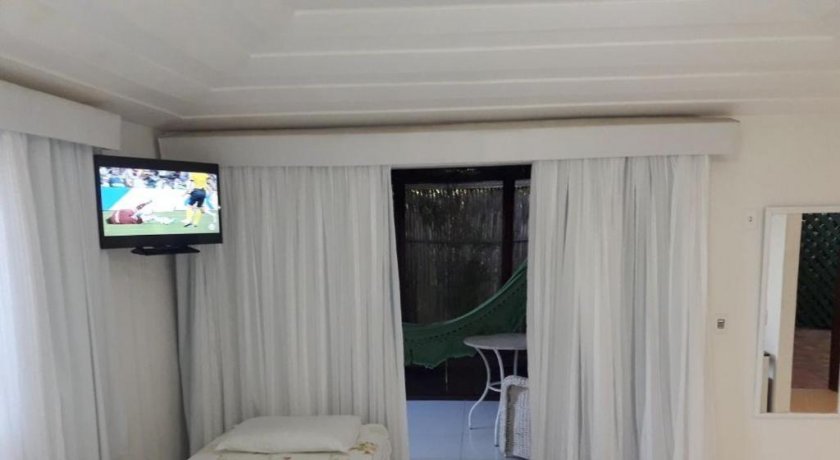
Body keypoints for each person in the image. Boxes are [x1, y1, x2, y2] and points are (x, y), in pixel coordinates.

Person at [106, 200, 173, 225]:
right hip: (129, 214)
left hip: (130, 216)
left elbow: (136, 221)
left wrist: (141, 220)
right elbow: (136, 208)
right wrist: (146, 203)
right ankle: (165, 220)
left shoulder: (118, 221)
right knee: (150, 215)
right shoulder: (115, 212)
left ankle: (165, 220)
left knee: (151, 216)